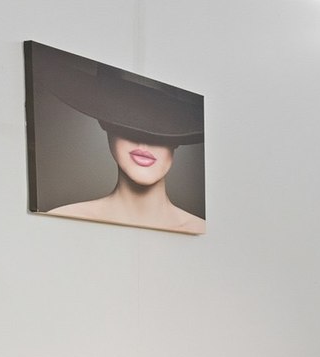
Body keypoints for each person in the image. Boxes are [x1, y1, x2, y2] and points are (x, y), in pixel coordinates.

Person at [35, 48, 206, 235]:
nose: (143, 141)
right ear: (105, 122)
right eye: (127, 121)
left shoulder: (201, 229)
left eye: (161, 129)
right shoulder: (63, 221)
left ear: (177, 139)